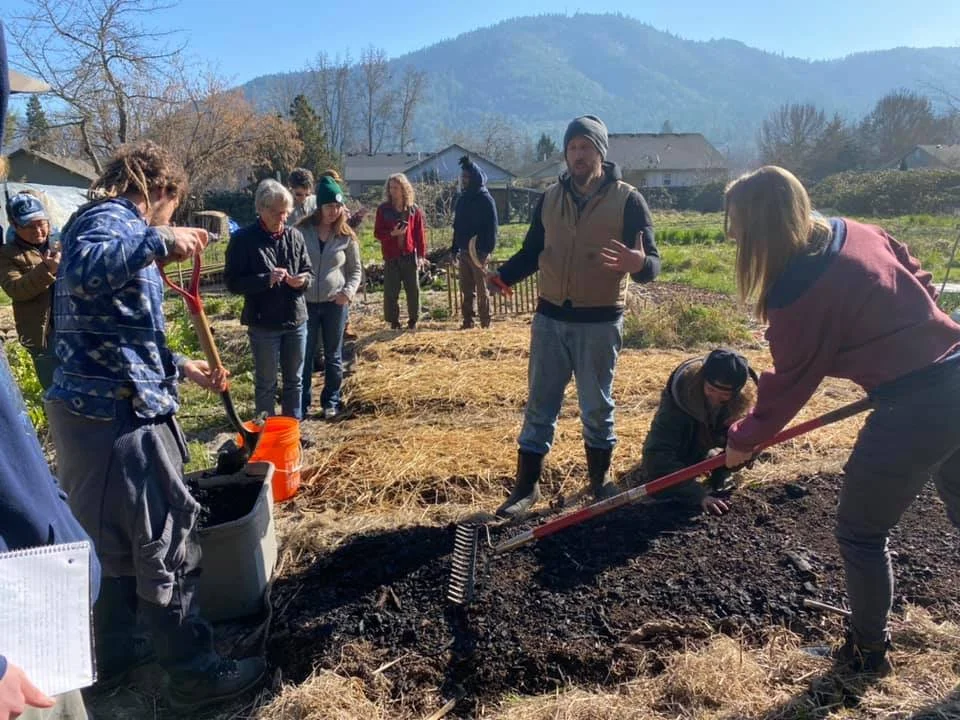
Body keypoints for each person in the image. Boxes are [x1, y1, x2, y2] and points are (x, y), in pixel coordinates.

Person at [44, 140, 266, 710]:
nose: (171, 217)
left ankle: (112, 660)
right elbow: (84, 270)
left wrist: (178, 364)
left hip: (99, 411)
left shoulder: (103, 226)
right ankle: (194, 674)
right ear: (156, 189)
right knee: (167, 544)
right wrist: (160, 238)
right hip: (122, 419)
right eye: (172, 207)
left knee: (113, 549)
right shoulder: (107, 221)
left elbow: (110, 328)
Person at [722, 165, 960, 676]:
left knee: (861, 532)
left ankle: (867, 652)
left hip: (914, 409)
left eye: (736, 224)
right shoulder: (856, 230)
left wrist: (742, 442)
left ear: (761, 228)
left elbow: (787, 386)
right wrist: (903, 339)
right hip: (956, 369)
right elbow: (915, 276)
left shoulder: (796, 294)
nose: (731, 234)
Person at [489, 115, 660, 518]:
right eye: (572, 148)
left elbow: (652, 264)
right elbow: (534, 251)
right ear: (565, 154)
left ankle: (599, 484)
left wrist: (639, 263)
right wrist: (503, 276)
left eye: (586, 147)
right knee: (539, 407)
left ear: (600, 151)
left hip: (600, 323)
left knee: (597, 407)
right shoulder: (549, 198)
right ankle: (525, 491)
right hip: (550, 320)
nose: (578, 155)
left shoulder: (628, 199)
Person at [225, 179, 313, 420]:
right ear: (261, 209)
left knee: (295, 381)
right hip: (264, 324)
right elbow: (232, 283)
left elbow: (309, 271)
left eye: (285, 213)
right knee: (266, 383)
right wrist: (265, 279)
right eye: (276, 213)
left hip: (296, 319)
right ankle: (264, 435)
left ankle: (291, 432)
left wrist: (302, 281)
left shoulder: (294, 236)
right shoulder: (243, 240)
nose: (281, 218)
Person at [640, 349, 757, 515]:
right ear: (701, 380)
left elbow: (757, 436)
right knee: (662, 485)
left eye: (724, 394)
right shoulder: (679, 399)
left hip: (714, 445)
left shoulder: (743, 402)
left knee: (748, 441)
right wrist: (697, 494)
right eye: (711, 390)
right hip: (682, 451)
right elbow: (656, 455)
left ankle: (721, 472)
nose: (715, 399)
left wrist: (737, 449)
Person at [298, 175, 361, 420]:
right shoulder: (302, 231)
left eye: (337, 206)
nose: (334, 211)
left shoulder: (346, 235)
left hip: (335, 303)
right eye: (329, 207)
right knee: (305, 354)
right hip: (306, 303)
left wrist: (348, 292)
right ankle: (301, 405)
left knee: (334, 355)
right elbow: (292, 261)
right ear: (320, 207)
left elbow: (356, 270)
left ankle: (331, 400)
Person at [0, 193, 60, 389]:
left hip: (74, 329)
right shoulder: (8, 254)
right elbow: (16, 289)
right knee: (55, 390)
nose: (38, 231)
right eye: (29, 226)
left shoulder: (60, 244)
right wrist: (48, 270)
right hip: (42, 335)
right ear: (15, 226)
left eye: (41, 223)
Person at [373, 173, 427, 330]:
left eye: (396, 188)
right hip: (391, 256)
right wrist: (392, 234)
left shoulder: (413, 210)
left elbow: (419, 234)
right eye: (390, 188)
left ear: (404, 189)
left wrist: (422, 256)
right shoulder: (383, 210)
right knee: (391, 291)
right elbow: (377, 233)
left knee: (413, 290)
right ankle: (393, 321)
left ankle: (413, 320)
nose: (392, 191)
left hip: (409, 255)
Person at [450, 155, 498, 329]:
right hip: (464, 250)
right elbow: (457, 226)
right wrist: (454, 248)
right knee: (466, 288)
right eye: (462, 177)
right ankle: (467, 320)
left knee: (481, 288)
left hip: (479, 252)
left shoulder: (485, 199)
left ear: (474, 178)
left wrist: (485, 251)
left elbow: (492, 228)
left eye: (467, 177)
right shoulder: (462, 199)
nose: (464, 180)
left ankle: (486, 321)